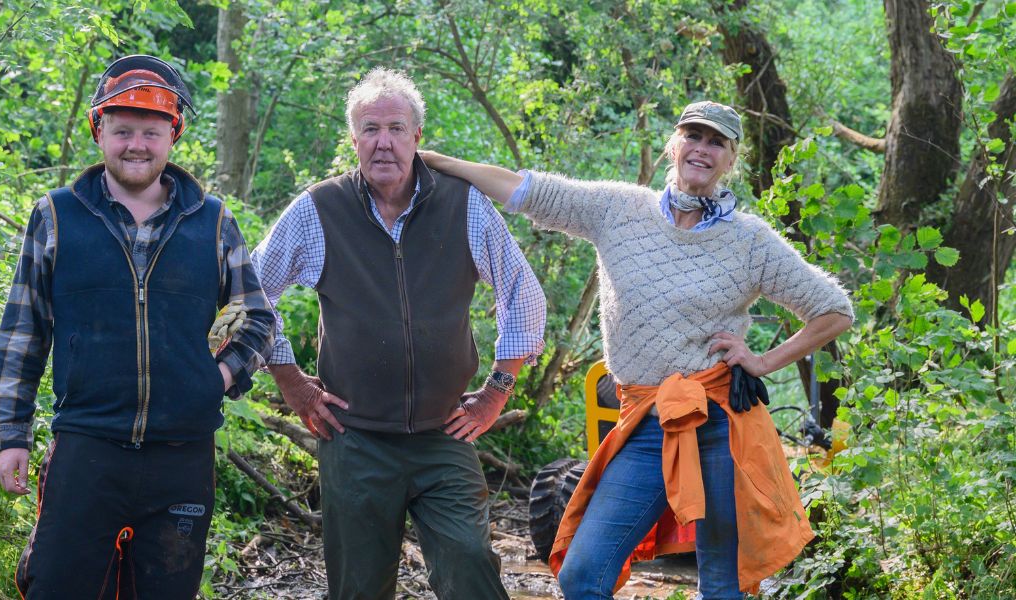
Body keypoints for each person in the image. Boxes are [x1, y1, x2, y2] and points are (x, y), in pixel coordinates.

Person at [421, 100, 854, 599]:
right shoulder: (618, 209)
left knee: (721, 586)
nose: (702, 149)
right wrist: (437, 161)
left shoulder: (750, 241)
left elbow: (834, 309)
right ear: (674, 144)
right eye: (693, 136)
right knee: (583, 574)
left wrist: (762, 362)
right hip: (645, 422)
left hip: (720, 425)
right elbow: (526, 190)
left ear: (731, 159)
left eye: (717, 142)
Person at [0, 54, 274, 599]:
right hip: (86, 447)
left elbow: (258, 317)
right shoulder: (57, 215)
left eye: (150, 132)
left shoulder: (213, 221)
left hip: (181, 457)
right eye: (122, 131)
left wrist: (217, 378)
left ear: (173, 135)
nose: (136, 145)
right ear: (99, 131)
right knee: (57, 587)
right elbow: (23, 330)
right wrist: (10, 435)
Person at [251, 67, 546, 600]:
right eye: (370, 129)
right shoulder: (320, 209)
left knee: (471, 564)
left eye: (395, 128)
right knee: (359, 587)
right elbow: (252, 293)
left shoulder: (463, 204)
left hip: (442, 434)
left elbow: (521, 291)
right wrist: (291, 381)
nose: (382, 142)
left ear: (417, 137)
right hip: (354, 439)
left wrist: (496, 391)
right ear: (354, 140)